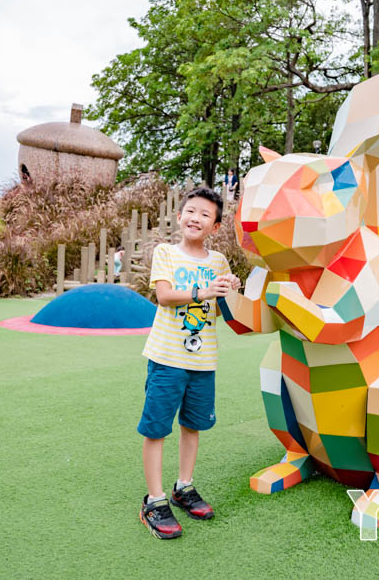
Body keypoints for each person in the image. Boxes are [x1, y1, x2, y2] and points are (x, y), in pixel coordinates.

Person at [137, 187, 241, 539]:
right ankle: (154, 500)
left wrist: (232, 287)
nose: (196, 217)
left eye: (205, 215)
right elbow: (164, 296)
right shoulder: (166, 253)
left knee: (192, 426)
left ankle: (184, 486)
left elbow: (228, 310)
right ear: (179, 216)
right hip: (167, 359)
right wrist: (203, 292)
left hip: (203, 362)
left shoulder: (219, 262)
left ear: (215, 226)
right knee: (156, 429)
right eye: (191, 211)